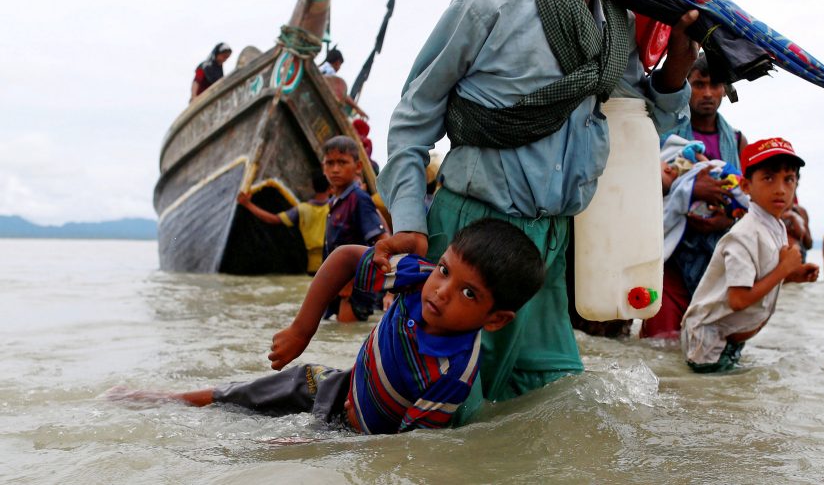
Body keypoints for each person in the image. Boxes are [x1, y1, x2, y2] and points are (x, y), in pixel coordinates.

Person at [376, 0, 701, 414]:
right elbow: (413, 115)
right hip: (475, 235)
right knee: (446, 412)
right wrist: (406, 220)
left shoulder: (615, 23)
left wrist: (678, 66)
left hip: (552, 243)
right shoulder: (490, 0)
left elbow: (637, 118)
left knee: (549, 404)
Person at [112, 219, 546, 434]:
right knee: (239, 396)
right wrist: (303, 330)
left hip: (355, 433)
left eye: (469, 293)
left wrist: (327, 444)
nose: (444, 291)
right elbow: (342, 259)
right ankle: (163, 398)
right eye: (446, 271)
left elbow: (412, 448)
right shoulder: (417, 276)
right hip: (335, 386)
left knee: (262, 456)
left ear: (495, 320)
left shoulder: (452, 374)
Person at [682, 137, 819, 373]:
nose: (780, 189)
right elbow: (738, 300)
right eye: (768, 178)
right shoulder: (743, 236)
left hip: (729, 338)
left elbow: (759, 278)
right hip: (708, 341)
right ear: (746, 187)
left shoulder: (775, 227)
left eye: (789, 179)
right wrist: (783, 269)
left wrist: (793, 275)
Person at [641, 55, 748, 339]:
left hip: (715, 258)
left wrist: (725, 218)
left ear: (725, 89)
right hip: (670, 259)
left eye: (715, 85)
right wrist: (691, 191)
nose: (708, 94)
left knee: (708, 345)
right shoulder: (662, 135)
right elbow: (641, 186)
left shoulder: (736, 140)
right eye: (699, 85)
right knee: (659, 345)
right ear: (686, 87)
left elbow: (748, 196)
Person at [321, 135, 389, 321]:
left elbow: (383, 242)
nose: (335, 169)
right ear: (323, 167)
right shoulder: (335, 202)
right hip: (336, 287)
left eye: (342, 162)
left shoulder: (358, 199)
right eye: (330, 163)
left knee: (346, 336)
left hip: (353, 290)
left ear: (358, 167)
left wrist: (352, 281)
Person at [236, 173, 331, 275]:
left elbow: (273, 219)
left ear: (312, 187)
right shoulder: (335, 206)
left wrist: (247, 204)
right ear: (330, 188)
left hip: (312, 265)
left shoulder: (302, 209)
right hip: (333, 261)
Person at [320, 48, 369, 119]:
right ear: (337, 62)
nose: (339, 68)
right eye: (340, 65)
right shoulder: (330, 72)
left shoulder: (322, 68)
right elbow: (343, 94)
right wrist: (357, 108)